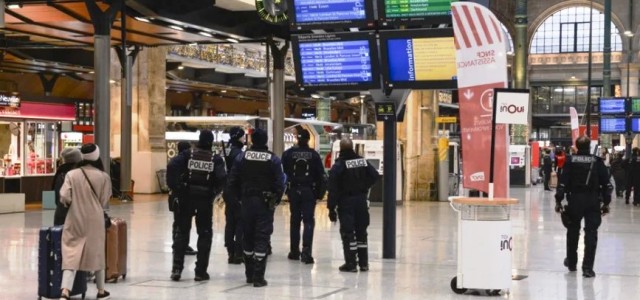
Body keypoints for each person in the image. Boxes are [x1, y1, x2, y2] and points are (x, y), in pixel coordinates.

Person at [226, 128, 285, 287]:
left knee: (248, 235)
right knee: (262, 236)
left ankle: (249, 274)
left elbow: (232, 181)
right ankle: (259, 276)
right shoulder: (273, 159)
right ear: (265, 141)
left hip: (246, 202)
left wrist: (235, 200)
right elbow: (280, 183)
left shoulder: (241, 157)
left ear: (252, 140)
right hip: (265, 203)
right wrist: (276, 200)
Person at [167, 130, 226, 281]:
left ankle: (177, 269)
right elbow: (222, 179)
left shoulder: (188, 155)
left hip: (186, 198)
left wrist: (178, 188)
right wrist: (213, 192)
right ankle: (200, 271)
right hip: (205, 201)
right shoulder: (216, 159)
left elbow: (172, 166)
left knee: (182, 233)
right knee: (205, 234)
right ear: (211, 142)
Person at [59, 144, 112, 299]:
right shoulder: (103, 177)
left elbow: (64, 196)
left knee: (71, 252)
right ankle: (101, 291)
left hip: (75, 217)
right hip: (95, 219)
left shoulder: (72, 174)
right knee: (97, 253)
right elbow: (104, 199)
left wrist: (72, 203)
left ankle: (65, 291)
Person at [555, 136, 611, 278]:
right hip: (592, 200)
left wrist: (558, 201)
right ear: (589, 146)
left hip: (575, 200)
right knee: (591, 232)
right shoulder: (597, 161)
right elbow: (606, 184)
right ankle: (587, 268)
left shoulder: (570, 160)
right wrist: (606, 202)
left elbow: (562, 183)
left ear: (577, 146)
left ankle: (572, 262)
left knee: (573, 230)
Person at [327, 138, 379, 272]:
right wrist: (364, 186)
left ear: (340, 149)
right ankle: (364, 264)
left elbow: (332, 188)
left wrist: (331, 208)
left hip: (346, 202)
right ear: (353, 147)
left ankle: (350, 264)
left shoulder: (339, 165)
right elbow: (374, 176)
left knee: (348, 232)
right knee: (362, 232)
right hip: (361, 201)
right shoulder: (362, 161)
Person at [282, 129, 327, 264]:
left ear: (297, 139)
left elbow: (282, 173)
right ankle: (306, 252)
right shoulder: (314, 155)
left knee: (294, 221)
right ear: (308, 140)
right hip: (309, 191)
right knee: (308, 221)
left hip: (293, 191)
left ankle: (294, 251)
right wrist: (319, 194)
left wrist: (285, 191)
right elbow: (321, 176)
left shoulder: (288, 154)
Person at [167, 141, 197, 256]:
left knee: (178, 221)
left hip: (175, 196)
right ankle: (181, 246)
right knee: (184, 222)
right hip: (182, 196)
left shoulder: (174, 161)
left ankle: (180, 245)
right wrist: (183, 187)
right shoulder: (185, 161)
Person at [224, 126, 246, 264]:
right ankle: (238, 252)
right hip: (237, 191)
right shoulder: (239, 154)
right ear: (238, 137)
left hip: (227, 190)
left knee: (229, 222)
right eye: (243, 136)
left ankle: (230, 251)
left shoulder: (227, 150)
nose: (244, 139)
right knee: (240, 222)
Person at [52, 148, 82, 226]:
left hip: (62, 212)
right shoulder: (73, 174)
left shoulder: (61, 173)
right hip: (72, 214)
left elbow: (57, 198)